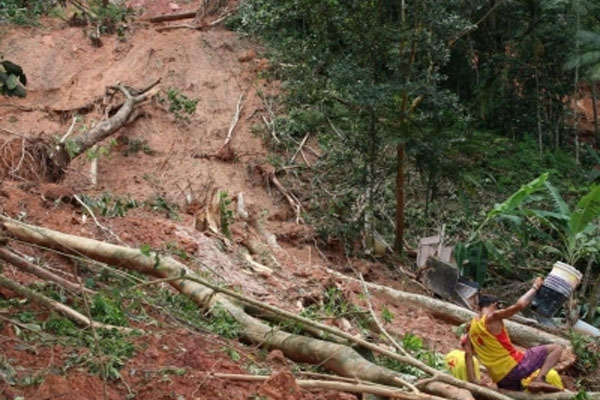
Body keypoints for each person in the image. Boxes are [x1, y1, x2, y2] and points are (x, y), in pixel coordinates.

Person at [464, 277, 564, 392]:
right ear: (495, 305)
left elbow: (468, 354)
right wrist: (534, 288)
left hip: (501, 379)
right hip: (516, 367)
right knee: (556, 348)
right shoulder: (493, 317)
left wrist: (473, 379)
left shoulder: (471, 328)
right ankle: (539, 379)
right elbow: (520, 305)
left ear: (479, 307)